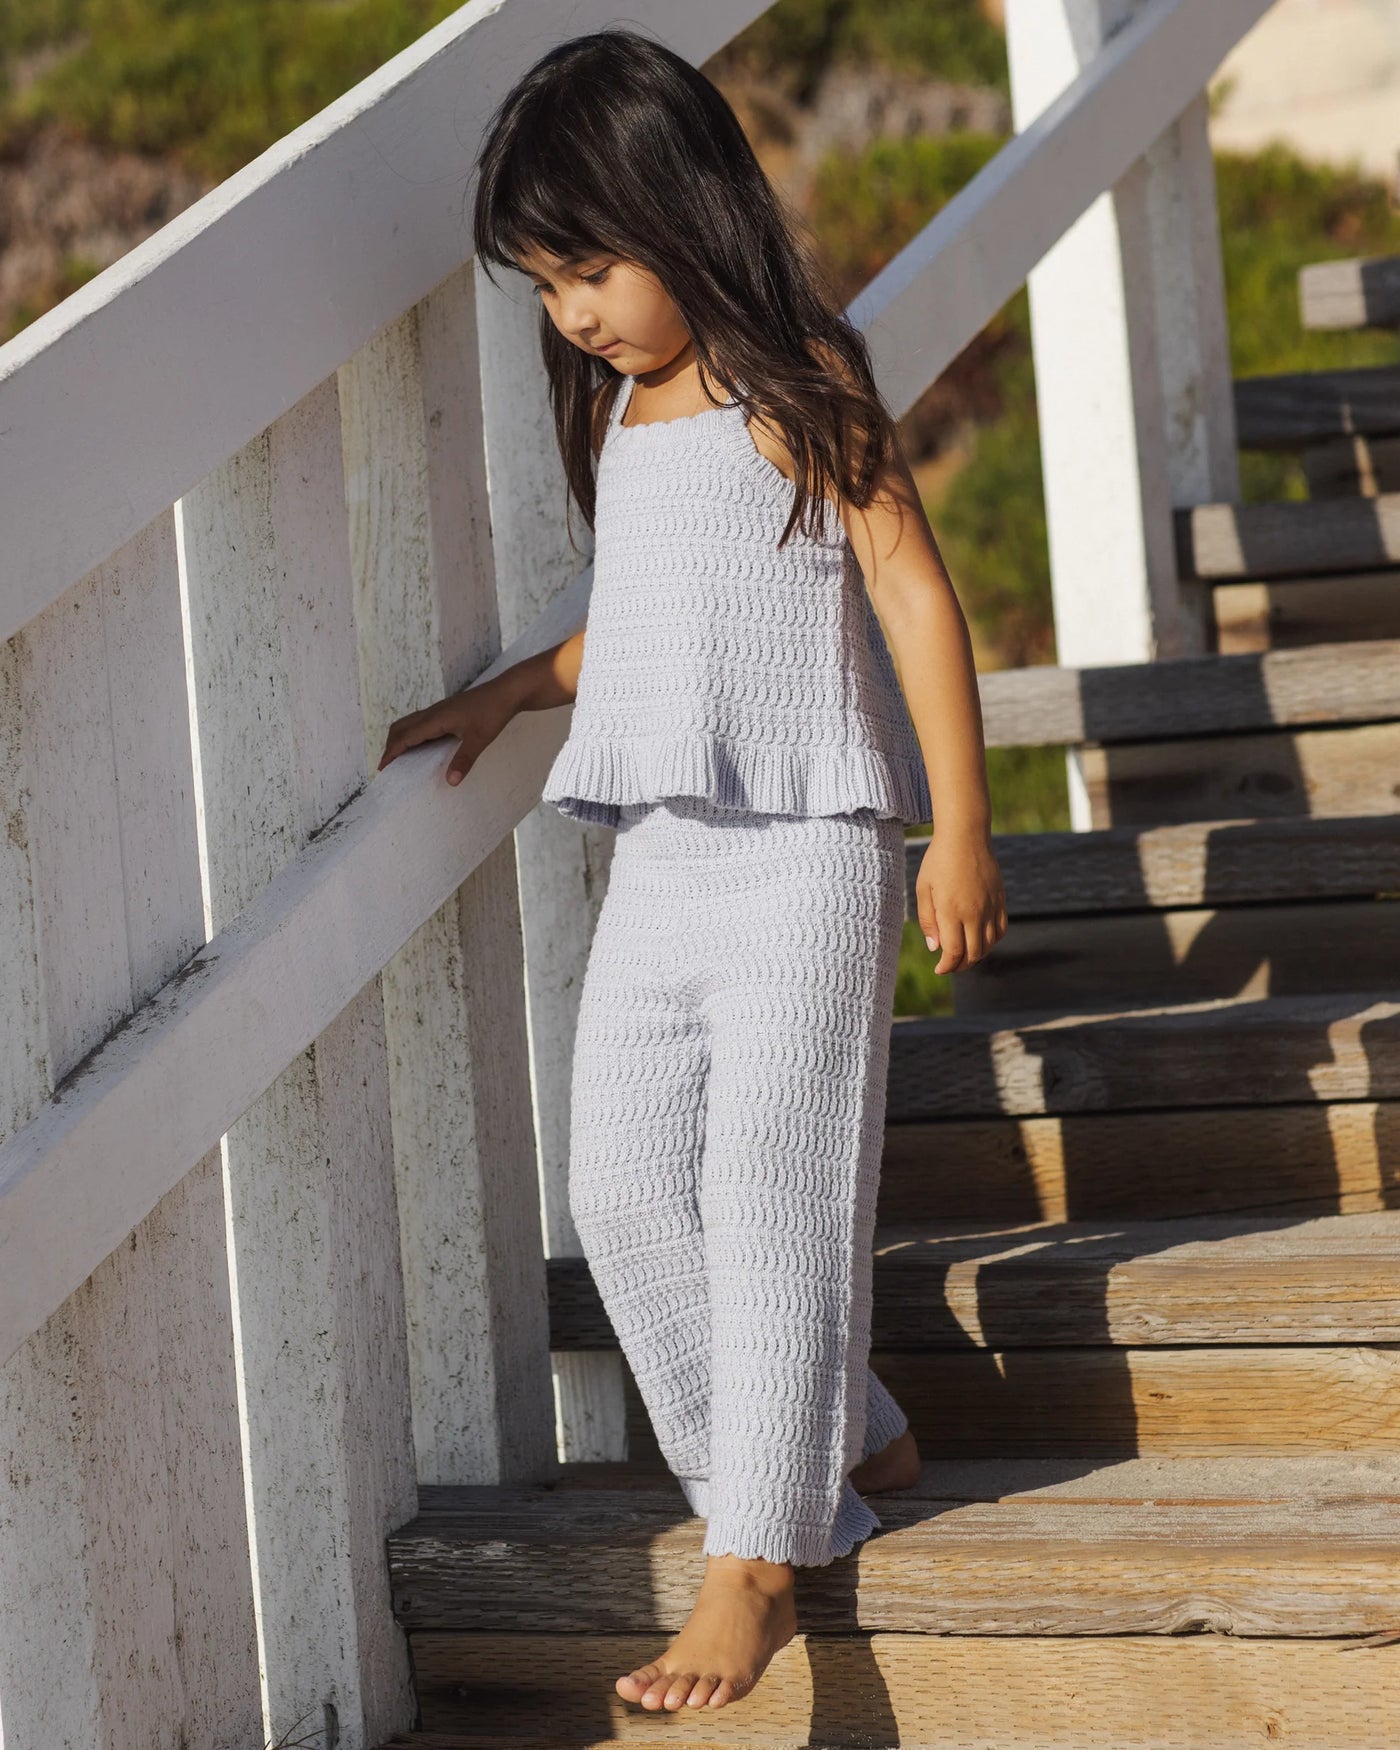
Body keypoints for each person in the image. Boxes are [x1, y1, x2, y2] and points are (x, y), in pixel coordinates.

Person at [377, 25, 1007, 1717]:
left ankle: (755, 1560)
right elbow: (656, 622)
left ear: (680, 208)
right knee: (625, 1186)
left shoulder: (796, 380)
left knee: (775, 1189)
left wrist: (961, 821)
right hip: (662, 857)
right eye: (546, 286)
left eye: (589, 269)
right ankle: (848, 1433)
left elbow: (911, 588)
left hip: (808, 853)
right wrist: (516, 688)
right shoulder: (628, 412)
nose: (571, 313)